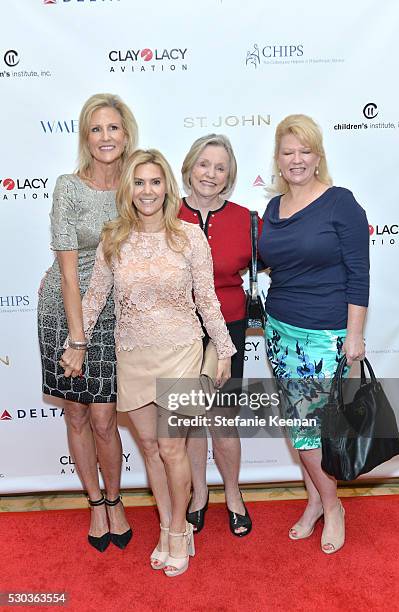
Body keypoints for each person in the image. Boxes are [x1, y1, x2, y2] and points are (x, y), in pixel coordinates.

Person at [60, 148, 236, 576]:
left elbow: (207, 299)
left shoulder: (189, 237)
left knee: (174, 447)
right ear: (128, 189)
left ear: (167, 187)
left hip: (180, 352)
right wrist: (75, 343)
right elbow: (96, 297)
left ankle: (179, 530)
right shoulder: (114, 238)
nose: (147, 190)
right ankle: (165, 525)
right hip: (133, 354)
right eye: (138, 182)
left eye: (155, 181)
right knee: (152, 449)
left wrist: (225, 349)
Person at [259, 114, 369, 554]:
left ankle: (332, 505)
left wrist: (355, 337)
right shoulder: (272, 208)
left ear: (318, 156)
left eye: (305, 151)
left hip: (325, 335)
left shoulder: (340, 202)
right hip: (280, 331)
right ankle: (315, 502)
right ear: (279, 160)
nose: (297, 159)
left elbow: (359, 275)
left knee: (310, 430)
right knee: (299, 426)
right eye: (288, 152)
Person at [38, 93, 138, 552]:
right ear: (85, 136)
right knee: (77, 413)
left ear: (126, 133)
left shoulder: (136, 185)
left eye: (113, 128)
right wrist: (76, 338)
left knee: (104, 418)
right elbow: (67, 270)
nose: (105, 137)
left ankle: (116, 499)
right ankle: (95, 503)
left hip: (116, 309)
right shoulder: (67, 187)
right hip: (65, 309)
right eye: (96, 129)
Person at [179, 134, 262, 536]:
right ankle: (198, 494)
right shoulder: (165, 213)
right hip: (177, 331)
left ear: (230, 176)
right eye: (203, 164)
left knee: (223, 420)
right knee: (190, 421)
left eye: (220, 167)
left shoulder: (247, 219)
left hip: (227, 329)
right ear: (189, 167)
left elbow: (285, 261)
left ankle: (232, 494)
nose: (210, 174)